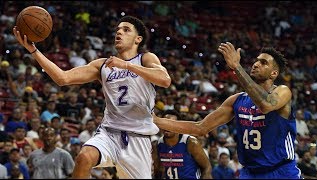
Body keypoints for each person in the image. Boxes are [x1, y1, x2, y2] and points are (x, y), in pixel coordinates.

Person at [13, 15, 171, 179]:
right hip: (109, 133)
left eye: (126, 30)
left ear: (138, 39)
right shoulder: (103, 65)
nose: (119, 32)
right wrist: (33, 50)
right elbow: (63, 78)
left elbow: (165, 79)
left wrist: (126, 65)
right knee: (84, 157)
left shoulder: (145, 58)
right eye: (117, 30)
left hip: (137, 139)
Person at [153, 42, 301, 178]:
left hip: (281, 171)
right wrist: (156, 120)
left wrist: (237, 67)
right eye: (256, 60)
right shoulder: (237, 100)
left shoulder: (283, 92)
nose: (256, 64)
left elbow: (266, 105)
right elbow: (200, 128)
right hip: (250, 173)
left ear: (273, 74)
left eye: (263, 63)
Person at [152, 110, 212, 179]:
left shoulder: (191, 142)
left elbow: (207, 167)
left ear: (178, 126)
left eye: (170, 124)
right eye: (164, 124)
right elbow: (157, 171)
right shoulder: (158, 145)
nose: (166, 127)